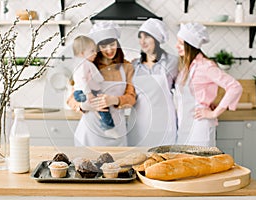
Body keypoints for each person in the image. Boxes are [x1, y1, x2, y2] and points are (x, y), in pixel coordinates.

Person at [67, 21, 136, 146]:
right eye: (104, 46)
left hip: (117, 131)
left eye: (112, 44)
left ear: (117, 43)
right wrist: (86, 105)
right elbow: (71, 99)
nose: (109, 49)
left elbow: (131, 98)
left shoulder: (127, 66)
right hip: (90, 132)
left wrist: (114, 100)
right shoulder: (87, 65)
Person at [175, 22, 243, 147]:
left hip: (199, 126)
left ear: (190, 45)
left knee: (201, 164)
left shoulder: (205, 66)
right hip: (185, 125)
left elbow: (235, 87)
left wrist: (214, 113)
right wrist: (207, 100)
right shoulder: (188, 66)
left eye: (181, 43)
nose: (176, 46)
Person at [127, 18, 178, 146]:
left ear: (157, 39)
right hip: (139, 123)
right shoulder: (134, 65)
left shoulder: (173, 62)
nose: (142, 41)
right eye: (140, 37)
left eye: (147, 37)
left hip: (164, 121)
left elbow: (185, 86)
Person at [71, 35, 115, 131]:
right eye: (92, 51)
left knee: (101, 107)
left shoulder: (88, 64)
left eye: (112, 45)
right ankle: (108, 126)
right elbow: (73, 98)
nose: (95, 53)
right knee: (101, 107)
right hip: (89, 125)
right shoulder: (84, 65)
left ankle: (107, 126)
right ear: (82, 53)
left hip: (118, 126)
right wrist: (87, 101)